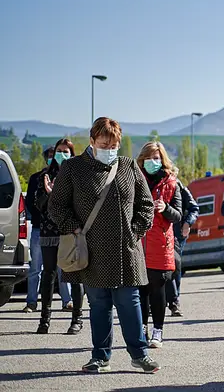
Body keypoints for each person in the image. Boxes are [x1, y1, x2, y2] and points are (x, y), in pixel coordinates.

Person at [48, 117, 160, 374]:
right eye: (103, 144)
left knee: (130, 302)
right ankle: (100, 356)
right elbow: (56, 206)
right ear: (91, 141)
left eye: (113, 145)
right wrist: (74, 228)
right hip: (91, 250)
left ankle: (140, 355)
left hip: (126, 251)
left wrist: (136, 231)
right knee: (99, 305)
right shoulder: (73, 168)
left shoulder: (128, 166)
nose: (109, 150)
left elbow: (146, 204)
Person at [35, 139, 85, 335]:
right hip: (49, 232)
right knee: (48, 274)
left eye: (66, 151)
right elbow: (38, 205)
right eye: (59, 151)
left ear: (72, 154)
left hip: (70, 231)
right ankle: (44, 320)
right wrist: (49, 193)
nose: (61, 154)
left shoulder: (77, 176)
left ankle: (77, 319)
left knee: (74, 274)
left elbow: (80, 205)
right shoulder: (44, 176)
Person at [136, 142, 183, 349]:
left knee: (157, 289)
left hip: (161, 244)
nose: (152, 162)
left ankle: (158, 331)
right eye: (148, 158)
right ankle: (142, 330)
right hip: (138, 243)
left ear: (162, 159)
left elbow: (178, 215)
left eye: (156, 158)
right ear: (142, 160)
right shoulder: (135, 179)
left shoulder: (172, 183)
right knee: (140, 291)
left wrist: (165, 208)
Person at [22, 146, 54, 313]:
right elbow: (30, 203)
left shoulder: (65, 176)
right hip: (38, 228)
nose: (53, 158)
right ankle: (31, 302)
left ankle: (67, 301)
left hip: (60, 230)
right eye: (50, 155)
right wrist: (41, 214)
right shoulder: (36, 178)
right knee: (35, 268)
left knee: (63, 269)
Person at [165, 180, 199, 317]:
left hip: (176, 234)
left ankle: (174, 302)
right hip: (155, 232)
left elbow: (194, 208)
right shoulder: (148, 181)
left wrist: (187, 223)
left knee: (174, 266)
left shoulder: (177, 185)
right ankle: (152, 302)